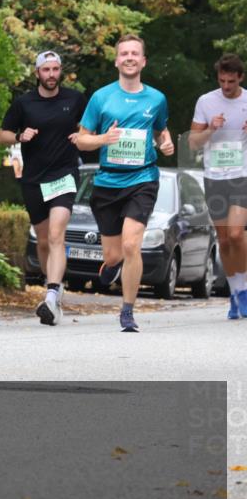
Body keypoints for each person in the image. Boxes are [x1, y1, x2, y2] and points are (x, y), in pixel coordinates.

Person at [70, 34, 174, 332]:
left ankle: (127, 311)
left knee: (132, 245)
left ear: (143, 61)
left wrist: (165, 143)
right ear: (117, 60)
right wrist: (104, 139)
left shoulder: (156, 98)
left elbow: (161, 131)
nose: (129, 57)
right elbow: (82, 139)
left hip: (143, 179)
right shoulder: (102, 97)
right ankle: (112, 265)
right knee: (115, 254)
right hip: (107, 182)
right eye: (124, 53)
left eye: (135, 53)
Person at [0, 51, 87, 326]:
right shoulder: (24, 103)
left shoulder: (74, 99)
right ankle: (54, 292)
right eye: (46, 70)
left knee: (58, 233)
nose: (51, 74)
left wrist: (83, 135)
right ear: (37, 73)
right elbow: (1, 135)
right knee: (45, 239)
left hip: (64, 174)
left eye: (55, 69)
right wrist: (19, 136)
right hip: (34, 178)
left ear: (61, 71)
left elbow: (89, 127)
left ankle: (50, 297)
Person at [188, 53, 247, 319]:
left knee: (236, 234)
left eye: (231, 82)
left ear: (240, 78)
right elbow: (192, 143)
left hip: (241, 175)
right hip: (214, 176)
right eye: (222, 81)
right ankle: (235, 295)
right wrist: (211, 129)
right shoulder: (206, 101)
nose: (225, 86)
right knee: (223, 239)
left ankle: (244, 290)